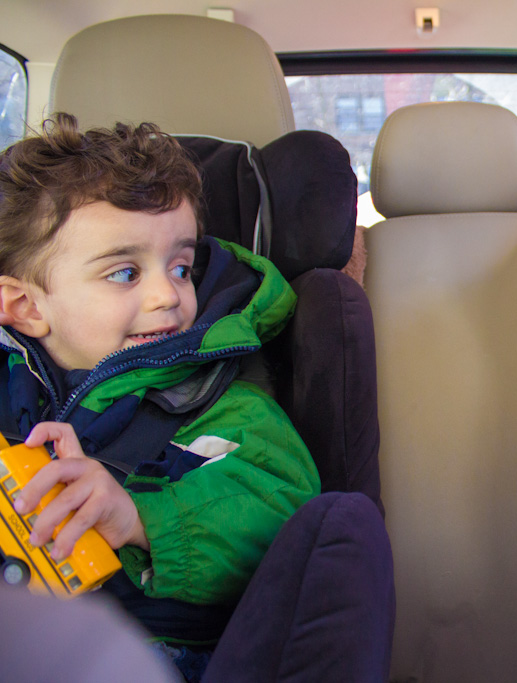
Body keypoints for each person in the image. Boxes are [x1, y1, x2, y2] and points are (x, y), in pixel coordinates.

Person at [0, 113, 320, 679]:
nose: (167, 296)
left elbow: (280, 510)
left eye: (181, 268)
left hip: (155, 648)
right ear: (26, 308)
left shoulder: (223, 401)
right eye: (125, 273)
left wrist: (139, 519)